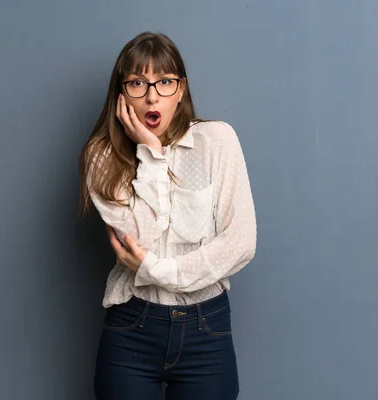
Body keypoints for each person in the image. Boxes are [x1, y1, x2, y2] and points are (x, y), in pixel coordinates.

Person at [79, 32, 257, 399]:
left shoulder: (215, 141)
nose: (151, 96)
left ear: (181, 89)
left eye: (164, 82)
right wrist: (151, 153)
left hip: (206, 329)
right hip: (133, 329)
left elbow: (241, 242)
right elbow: (138, 238)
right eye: (137, 83)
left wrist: (164, 272)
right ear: (121, 92)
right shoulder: (102, 156)